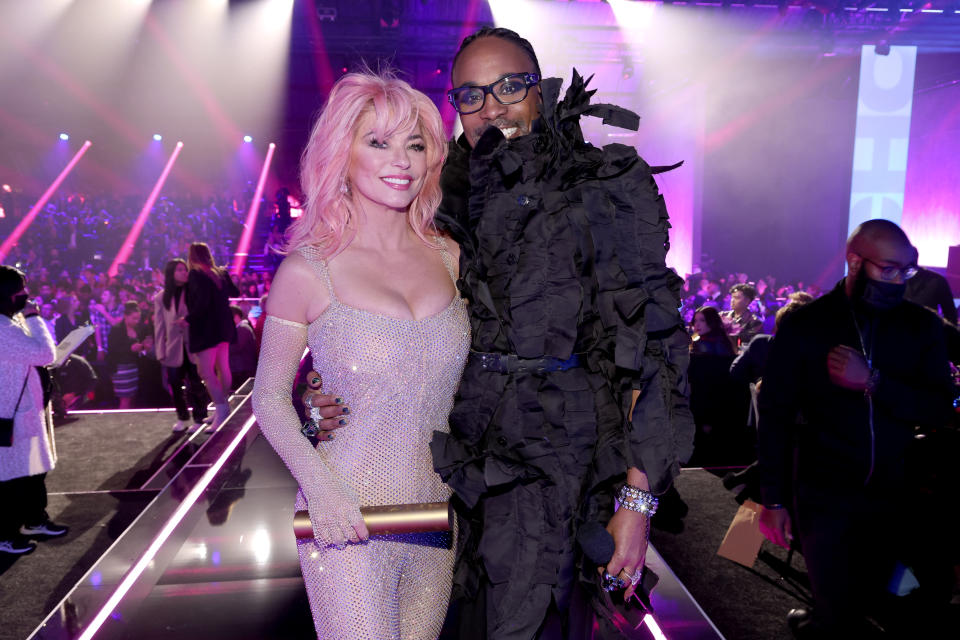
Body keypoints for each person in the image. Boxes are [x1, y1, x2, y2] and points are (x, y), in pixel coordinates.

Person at [308, 28, 693, 638]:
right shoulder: (434, 199)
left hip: (558, 467)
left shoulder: (605, 189)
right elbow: (371, 314)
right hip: (445, 469)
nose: (492, 106)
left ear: (540, 90)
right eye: (471, 94)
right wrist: (319, 392)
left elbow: (653, 352)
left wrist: (637, 502)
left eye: (510, 87)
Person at [250, 70, 468, 639]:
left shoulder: (449, 257)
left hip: (437, 513)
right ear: (341, 155)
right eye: (378, 142)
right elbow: (268, 397)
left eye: (415, 144)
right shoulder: (308, 269)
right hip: (345, 516)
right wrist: (322, 492)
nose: (402, 160)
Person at [757, 219, 955, 637]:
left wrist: (873, 382)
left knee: (865, 598)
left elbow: (939, 409)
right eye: (889, 269)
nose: (900, 279)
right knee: (835, 607)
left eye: (908, 270)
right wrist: (772, 499)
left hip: (892, 492)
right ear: (855, 260)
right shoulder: (806, 323)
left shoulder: (922, 326)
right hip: (821, 488)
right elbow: (774, 414)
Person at [0, 266, 68, 556]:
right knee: (12, 477)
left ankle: (34, 520)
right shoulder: (2, 329)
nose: (25, 296)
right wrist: (34, 317)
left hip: (23, 409)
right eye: (20, 290)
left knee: (31, 472)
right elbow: (45, 353)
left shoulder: (9, 321)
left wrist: (28, 319)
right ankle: (6, 534)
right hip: (11, 413)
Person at [185, 242, 239, 431]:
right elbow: (235, 292)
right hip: (224, 327)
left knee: (206, 372)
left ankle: (221, 409)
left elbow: (200, 304)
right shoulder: (220, 273)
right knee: (222, 368)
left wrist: (187, 319)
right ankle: (222, 407)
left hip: (206, 330)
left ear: (191, 257)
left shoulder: (195, 275)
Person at [154, 259, 208, 432]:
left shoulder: (194, 292)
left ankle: (200, 418)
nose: (184, 272)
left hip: (193, 345)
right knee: (175, 385)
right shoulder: (161, 297)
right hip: (173, 348)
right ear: (171, 273)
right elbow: (159, 326)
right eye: (179, 270)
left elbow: (202, 316)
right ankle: (182, 417)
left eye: (185, 269)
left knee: (196, 384)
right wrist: (160, 351)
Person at [107, 301, 151, 409]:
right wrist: (130, 348)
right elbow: (112, 349)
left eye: (138, 318)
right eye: (134, 318)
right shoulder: (117, 329)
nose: (137, 321)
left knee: (132, 398)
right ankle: (123, 422)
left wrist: (144, 345)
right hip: (121, 368)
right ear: (125, 316)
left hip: (134, 367)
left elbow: (144, 343)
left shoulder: (138, 329)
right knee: (125, 399)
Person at [721, 283, 763, 348]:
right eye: (732, 297)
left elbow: (748, 343)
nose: (732, 300)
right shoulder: (722, 315)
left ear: (747, 301)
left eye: (736, 298)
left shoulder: (755, 322)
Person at [228, 304, 257, 389]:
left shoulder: (243, 328)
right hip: (240, 369)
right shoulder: (239, 328)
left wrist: (221, 350)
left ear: (236, 317)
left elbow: (236, 348)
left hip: (244, 370)